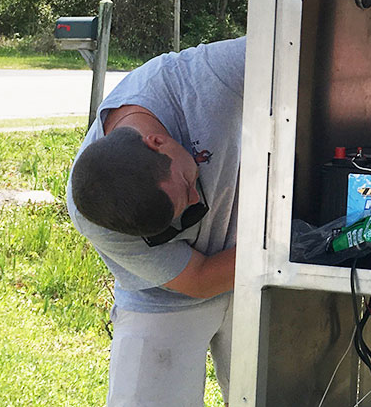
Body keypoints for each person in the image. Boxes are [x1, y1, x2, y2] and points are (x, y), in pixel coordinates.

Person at [67, 37, 246, 407]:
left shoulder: (203, 78)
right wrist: (281, 248)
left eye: (186, 184)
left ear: (157, 142)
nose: (198, 201)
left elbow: (293, 40)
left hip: (256, 275)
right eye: (175, 223)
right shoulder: (96, 212)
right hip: (165, 297)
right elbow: (198, 279)